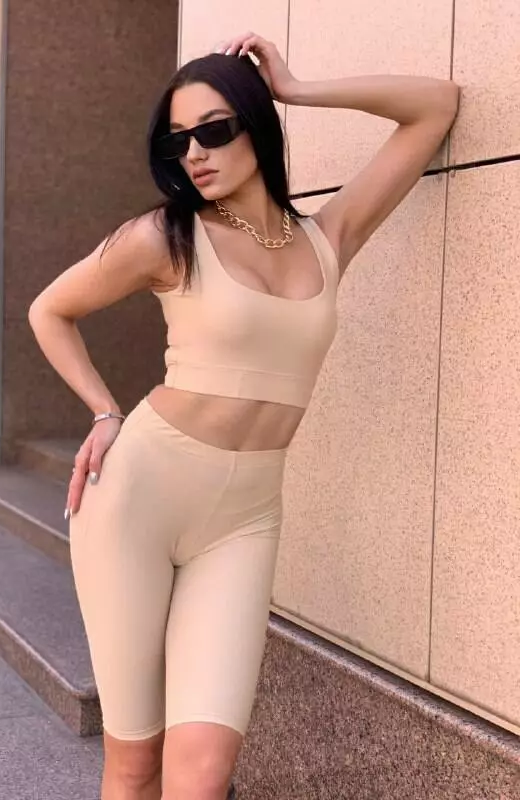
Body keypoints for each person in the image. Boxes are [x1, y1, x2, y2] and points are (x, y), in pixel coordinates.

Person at [28, 30, 459, 800]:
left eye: (215, 129)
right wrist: (102, 412)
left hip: (246, 518)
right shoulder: (168, 236)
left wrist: (296, 88)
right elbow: (50, 310)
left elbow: (435, 107)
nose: (195, 153)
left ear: (258, 124)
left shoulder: (327, 238)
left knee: (203, 775)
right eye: (179, 140)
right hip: (139, 497)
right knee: (134, 763)